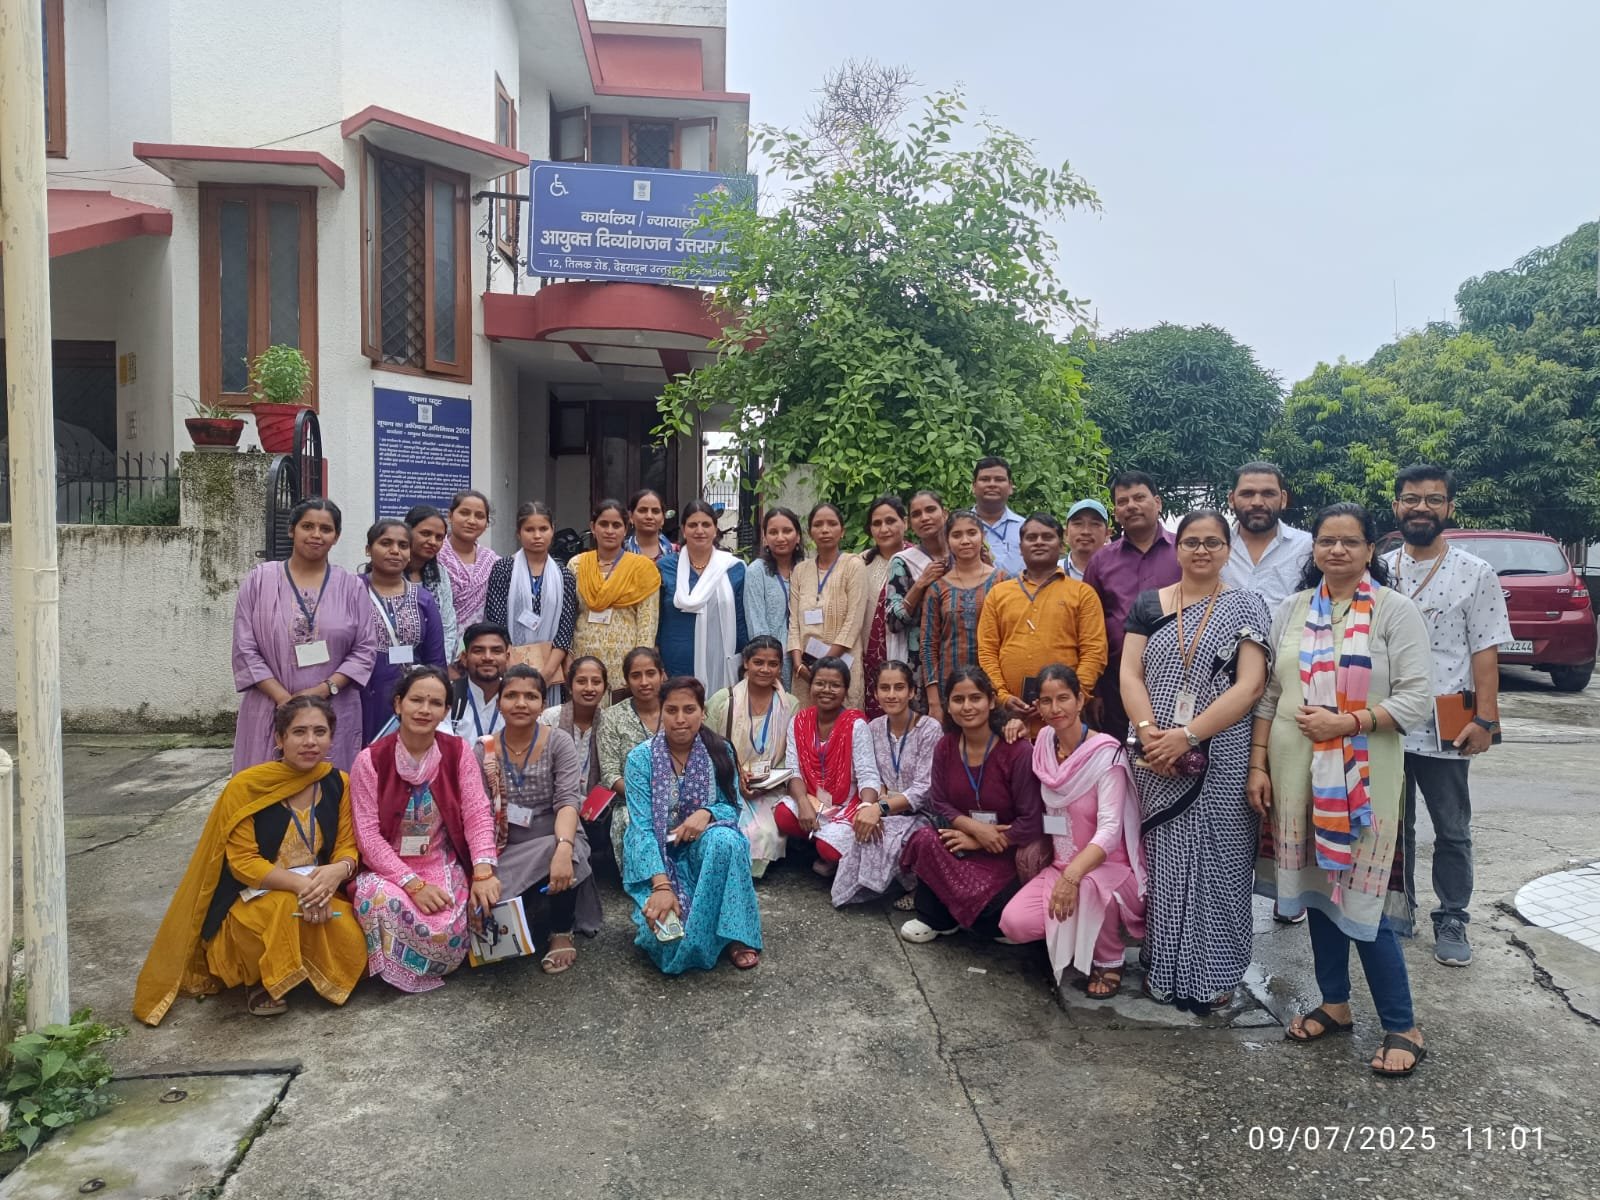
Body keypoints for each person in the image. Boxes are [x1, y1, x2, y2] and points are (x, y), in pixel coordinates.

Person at [1250, 502, 1433, 1076]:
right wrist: (1258, 766)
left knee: (1364, 903)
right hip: (1293, 776)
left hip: (1364, 783)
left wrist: (1346, 722)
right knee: (1314, 893)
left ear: (1370, 549)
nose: (1336, 551)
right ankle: (1335, 1003)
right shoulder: (1292, 609)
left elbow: (1416, 700)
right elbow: (1271, 696)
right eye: (1326, 541)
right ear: (1314, 548)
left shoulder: (1394, 612)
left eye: (1349, 542)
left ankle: (1403, 1025)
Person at [134, 696, 366, 1024]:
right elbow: (243, 862)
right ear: (279, 738)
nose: (310, 741)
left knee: (351, 940)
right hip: (254, 897)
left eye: (320, 731)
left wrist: (338, 871)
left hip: (318, 889)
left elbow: (347, 844)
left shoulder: (337, 782)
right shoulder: (245, 787)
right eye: (299, 732)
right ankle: (260, 980)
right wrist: (303, 886)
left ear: (331, 737)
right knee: (283, 910)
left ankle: (298, 969)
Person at [1121, 509, 1269, 1014]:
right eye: (1191, 542)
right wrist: (1148, 737)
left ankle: (1217, 971)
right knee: (1165, 864)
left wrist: (1187, 736)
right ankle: (1163, 968)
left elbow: (1250, 685)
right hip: (1156, 755)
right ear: (1176, 548)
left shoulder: (1246, 605)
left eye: (1212, 542)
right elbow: (1130, 675)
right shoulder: (1149, 605)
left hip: (1221, 755)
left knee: (1221, 863)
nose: (1201, 550)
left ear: (1228, 549)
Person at [1383, 464, 1511, 968]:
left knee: (1451, 827)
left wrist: (1487, 720)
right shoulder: (1380, 569)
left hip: (1446, 720)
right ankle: (1400, 907)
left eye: (1433, 500)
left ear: (1449, 508)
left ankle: (1453, 915)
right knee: (1394, 826)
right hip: (1386, 718)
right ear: (1397, 506)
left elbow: (1485, 652)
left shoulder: (1474, 573)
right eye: (1411, 499)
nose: (1421, 508)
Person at [349, 667, 501, 993]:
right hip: (389, 871)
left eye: (435, 703)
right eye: (416, 700)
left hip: (439, 859)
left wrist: (484, 871)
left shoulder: (457, 751)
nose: (424, 709)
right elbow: (368, 836)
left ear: (446, 711)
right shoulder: (370, 760)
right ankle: (393, 971)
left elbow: (476, 813)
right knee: (380, 900)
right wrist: (413, 885)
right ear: (398, 704)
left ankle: (420, 964)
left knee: (445, 928)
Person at [998, 666, 1147, 997]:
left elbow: (1110, 831)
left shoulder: (1105, 754)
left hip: (1109, 868)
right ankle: (1073, 935)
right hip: (1060, 866)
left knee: (1092, 887)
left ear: (1081, 700)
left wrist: (1073, 877)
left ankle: (1109, 959)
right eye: (1047, 701)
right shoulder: (1044, 745)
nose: (1055, 709)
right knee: (1014, 923)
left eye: (1063, 698)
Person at [622, 676, 763, 973]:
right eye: (671, 710)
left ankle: (736, 934)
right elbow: (642, 828)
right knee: (667, 944)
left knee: (726, 839)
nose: (680, 719)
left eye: (689, 710)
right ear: (660, 711)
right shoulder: (640, 759)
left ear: (703, 712)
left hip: (705, 853)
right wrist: (661, 886)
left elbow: (732, 805)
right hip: (659, 861)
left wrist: (708, 813)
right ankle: (714, 931)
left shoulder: (719, 750)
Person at [232, 497, 377, 773]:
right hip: (269, 705)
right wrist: (283, 699)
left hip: (334, 706)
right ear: (292, 530)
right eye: (307, 526)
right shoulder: (260, 580)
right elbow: (244, 647)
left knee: (329, 792)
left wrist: (323, 690)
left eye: (326, 529)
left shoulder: (351, 587)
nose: (316, 535)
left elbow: (365, 649)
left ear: (336, 537)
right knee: (265, 791)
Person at [899, 666, 1043, 943]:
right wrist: (973, 829)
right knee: (926, 839)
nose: (967, 707)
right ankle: (939, 919)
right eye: (958, 699)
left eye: (975, 698)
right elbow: (939, 800)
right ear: (948, 706)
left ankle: (960, 913)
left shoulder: (1017, 751)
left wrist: (984, 839)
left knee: (993, 913)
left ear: (990, 701)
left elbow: (1033, 819)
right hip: (963, 841)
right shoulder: (946, 746)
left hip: (1006, 851)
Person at [479, 666, 601, 975]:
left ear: (543, 704)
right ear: (499, 702)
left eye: (530, 696)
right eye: (512, 696)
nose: (521, 703)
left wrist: (562, 847)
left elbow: (567, 803)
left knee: (565, 852)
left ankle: (560, 931)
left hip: (555, 829)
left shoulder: (558, 743)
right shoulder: (484, 750)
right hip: (506, 840)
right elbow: (478, 814)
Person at [977, 513, 1108, 729]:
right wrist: (1002, 696)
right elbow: (987, 651)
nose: (1039, 542)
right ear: (1021, 546)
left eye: (1047, 537)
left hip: (1065, 721)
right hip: (1010, 718)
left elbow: (1094, 652)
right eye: (1031, 537)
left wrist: (1072, 698)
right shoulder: (998, 594)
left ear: (1062, 545)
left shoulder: (1083, 593)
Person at [832, 661, 941, 907]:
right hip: (886, 807)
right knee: (863, 830)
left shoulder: (929, 729)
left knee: (890, 833)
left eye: (899, 687)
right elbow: (871, 773)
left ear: (912, 692)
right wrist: (878, 803)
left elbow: (924, 787)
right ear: (875, 693)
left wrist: (880, 809)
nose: (891, 695)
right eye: (885, 688)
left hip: (922, 812)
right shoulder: (874, 727)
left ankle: (918, 887)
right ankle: (884, 884)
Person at [1084, 471, 1181, 740]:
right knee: (1121, 756)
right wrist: (1096, 692)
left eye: (1139, 497)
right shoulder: (1101, 561)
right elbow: (1090, 628)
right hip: (1116, 682)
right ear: (1116, 512)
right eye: (1123, 501)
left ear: (1158, 502)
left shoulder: (1183, 552)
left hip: (1178, 678)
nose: (1131, 506)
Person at [705, 636, 799, 877]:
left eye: (773, 664)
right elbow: (708, 747)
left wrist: (764, 782)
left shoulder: (789, 704)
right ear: (746, 663)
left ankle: (745, 874)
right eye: (758, 662)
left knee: (765, 833)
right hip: (726, 781)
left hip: (769, 786)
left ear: (780, 667)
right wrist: (736, 775)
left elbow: (791, 755)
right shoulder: (723, 700)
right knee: (728, 829)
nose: (765, 669)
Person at [358, 518, 447, 745]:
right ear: (369, 549)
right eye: (386, 543)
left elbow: (435, 658)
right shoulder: (352, 591)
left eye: (403, 545)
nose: (395, 551)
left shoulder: (423, 598)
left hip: (414, 697)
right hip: (364, 695)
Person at [777, 657, 866, 876]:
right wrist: (803, 802)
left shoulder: (857, 724)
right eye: (820, 683)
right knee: (783, 815)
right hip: (814, 797)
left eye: (835, 685)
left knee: (830, 850)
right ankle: (817, 841)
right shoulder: (799, 721)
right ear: (810, 687)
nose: (826, 690)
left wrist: (868, 808)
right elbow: (793, 770)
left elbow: (868, 775)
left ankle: (824, 848)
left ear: (845, 690)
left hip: (846, 800)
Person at [921, 509, 1009, 723]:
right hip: (950, 692)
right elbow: (928, 645)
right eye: (957, 535)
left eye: (972, 533)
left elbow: (1011, 637)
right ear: (947, 540)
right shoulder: (937, 588)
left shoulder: (1002, 582)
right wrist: (934, 701)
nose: (965, 540)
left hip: (994, 688)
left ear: (982, 536)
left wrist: (1004, 693)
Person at [484, 502, 577, 699]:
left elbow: (565, 630)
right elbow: (496, 623)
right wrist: (514, 672)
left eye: (543, 529)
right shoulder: (503, 569)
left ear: (553, 530)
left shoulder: (564, 575)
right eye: (529, 529)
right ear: (518, 533)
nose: (537, 535)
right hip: (508, 668)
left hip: (550, 673)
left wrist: (546, 674)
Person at [658, 499, 747, 694]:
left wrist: (747, 660)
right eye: (693, 525)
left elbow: (740, 620)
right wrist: (657, 664)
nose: (700, 530)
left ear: (715, 529)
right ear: (683, 529)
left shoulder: (733, 568)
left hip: (721, 662)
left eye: (706, 524)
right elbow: (657, 618)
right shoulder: (665, 567)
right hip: (675, 661)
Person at [569, 498, 661, 686]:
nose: (610, 531)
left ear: (626, 529)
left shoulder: (642, 568)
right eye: (603, 524)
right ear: (593, 527)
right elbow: (568, 616)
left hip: (625, 663)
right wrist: (569, 658)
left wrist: (639, 667)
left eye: (616, 525)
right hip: (584, 659)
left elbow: (647, 623)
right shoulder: (577, 565)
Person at [788, 502, 867, 708]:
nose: (825, 530)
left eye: (832, 524)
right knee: (807, 727)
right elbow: (794, 623)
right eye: (818, 525)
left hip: (843, 666)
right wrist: (798, 665)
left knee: (843, 728)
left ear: (842, 531)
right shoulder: (800, 570)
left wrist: (824, 667)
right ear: (809, 532)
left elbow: (853, 622)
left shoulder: (853, 565)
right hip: (805, 672)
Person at [879, 490, 951, 705]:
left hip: (957, 654)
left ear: (945, 513)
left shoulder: (964, 555)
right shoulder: (903, 562)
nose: (925, 517)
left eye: (931, 510)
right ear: (910, 522)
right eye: (917, 514)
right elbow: (893, 621)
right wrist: (921, 584)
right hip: (917, 663)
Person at [597, 646, 667, 863]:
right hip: (630, 801)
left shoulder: (677, 710)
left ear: (662, 675)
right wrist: (645, 797)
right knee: (632, 820)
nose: (644, 682)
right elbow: (609, 774)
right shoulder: (612, 717)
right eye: (636, 676)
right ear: (627, 681)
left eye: (650, 674)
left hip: (678, 796)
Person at [1221, 461, 1313, 618]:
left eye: (1268, 494)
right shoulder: (1213, 548)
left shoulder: (1307, 547)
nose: (1257, 502)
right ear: (1231, 499)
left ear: (1283, 499)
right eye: (1247, 493)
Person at [858, 496, 909, 719]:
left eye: (890, 521)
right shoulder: (861, 563)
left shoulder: (917, 561)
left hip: (905, 654)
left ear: (904, 522)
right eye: (877, 523)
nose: (884, 529)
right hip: (866, 661)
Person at [744, 506, 805, 691]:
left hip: (805, 658)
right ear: (765, 538)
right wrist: (769, 661)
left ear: (798, 536)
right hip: (773, 661)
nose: (780, 537)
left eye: (787, 531)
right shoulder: (757, 571)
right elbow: (756, 622)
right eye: (773, 532)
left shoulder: (806, 569)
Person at [404, 504, 461, 663]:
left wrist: (439, 665)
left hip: (433, 665)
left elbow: (448, 627)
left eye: (439, 537)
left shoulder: (440, 574)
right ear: (407, 532)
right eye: (425, 534)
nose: (432, 541)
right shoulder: (389, 573)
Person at [438, 489, 499, 628]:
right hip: (439, 641)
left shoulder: (492, 561)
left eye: (479, 516)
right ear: (450, 516)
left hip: (479, 643)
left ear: (486, 523)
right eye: (464, 513)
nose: (471, 521)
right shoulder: (434, 556)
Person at [446, 623, 511, 740]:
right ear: (465, 658)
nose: (487, 657)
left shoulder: (517, 699)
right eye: (478, 651)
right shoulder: (448, 697)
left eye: (496, 651)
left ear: (507, 658)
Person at [972, 456, 1024, 575]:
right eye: (985, 479)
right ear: (974, 486)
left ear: (1010, 487)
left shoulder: (1025, 528)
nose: (992, 484)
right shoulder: (958, 527)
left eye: (999, 479)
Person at [1062, 499, 1110, 582]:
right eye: (1078, 523)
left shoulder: (1120, 573)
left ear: (1107, 534)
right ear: (1066, 533)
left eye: (1095, 524)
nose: (1086, 531)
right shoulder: (1052, 573)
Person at [624, 487, 675, 562]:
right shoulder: (620, 552)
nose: (649, 516)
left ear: (663, 518)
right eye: (642, 510)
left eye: (655, 511)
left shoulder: (677, 554)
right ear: (631, 516)